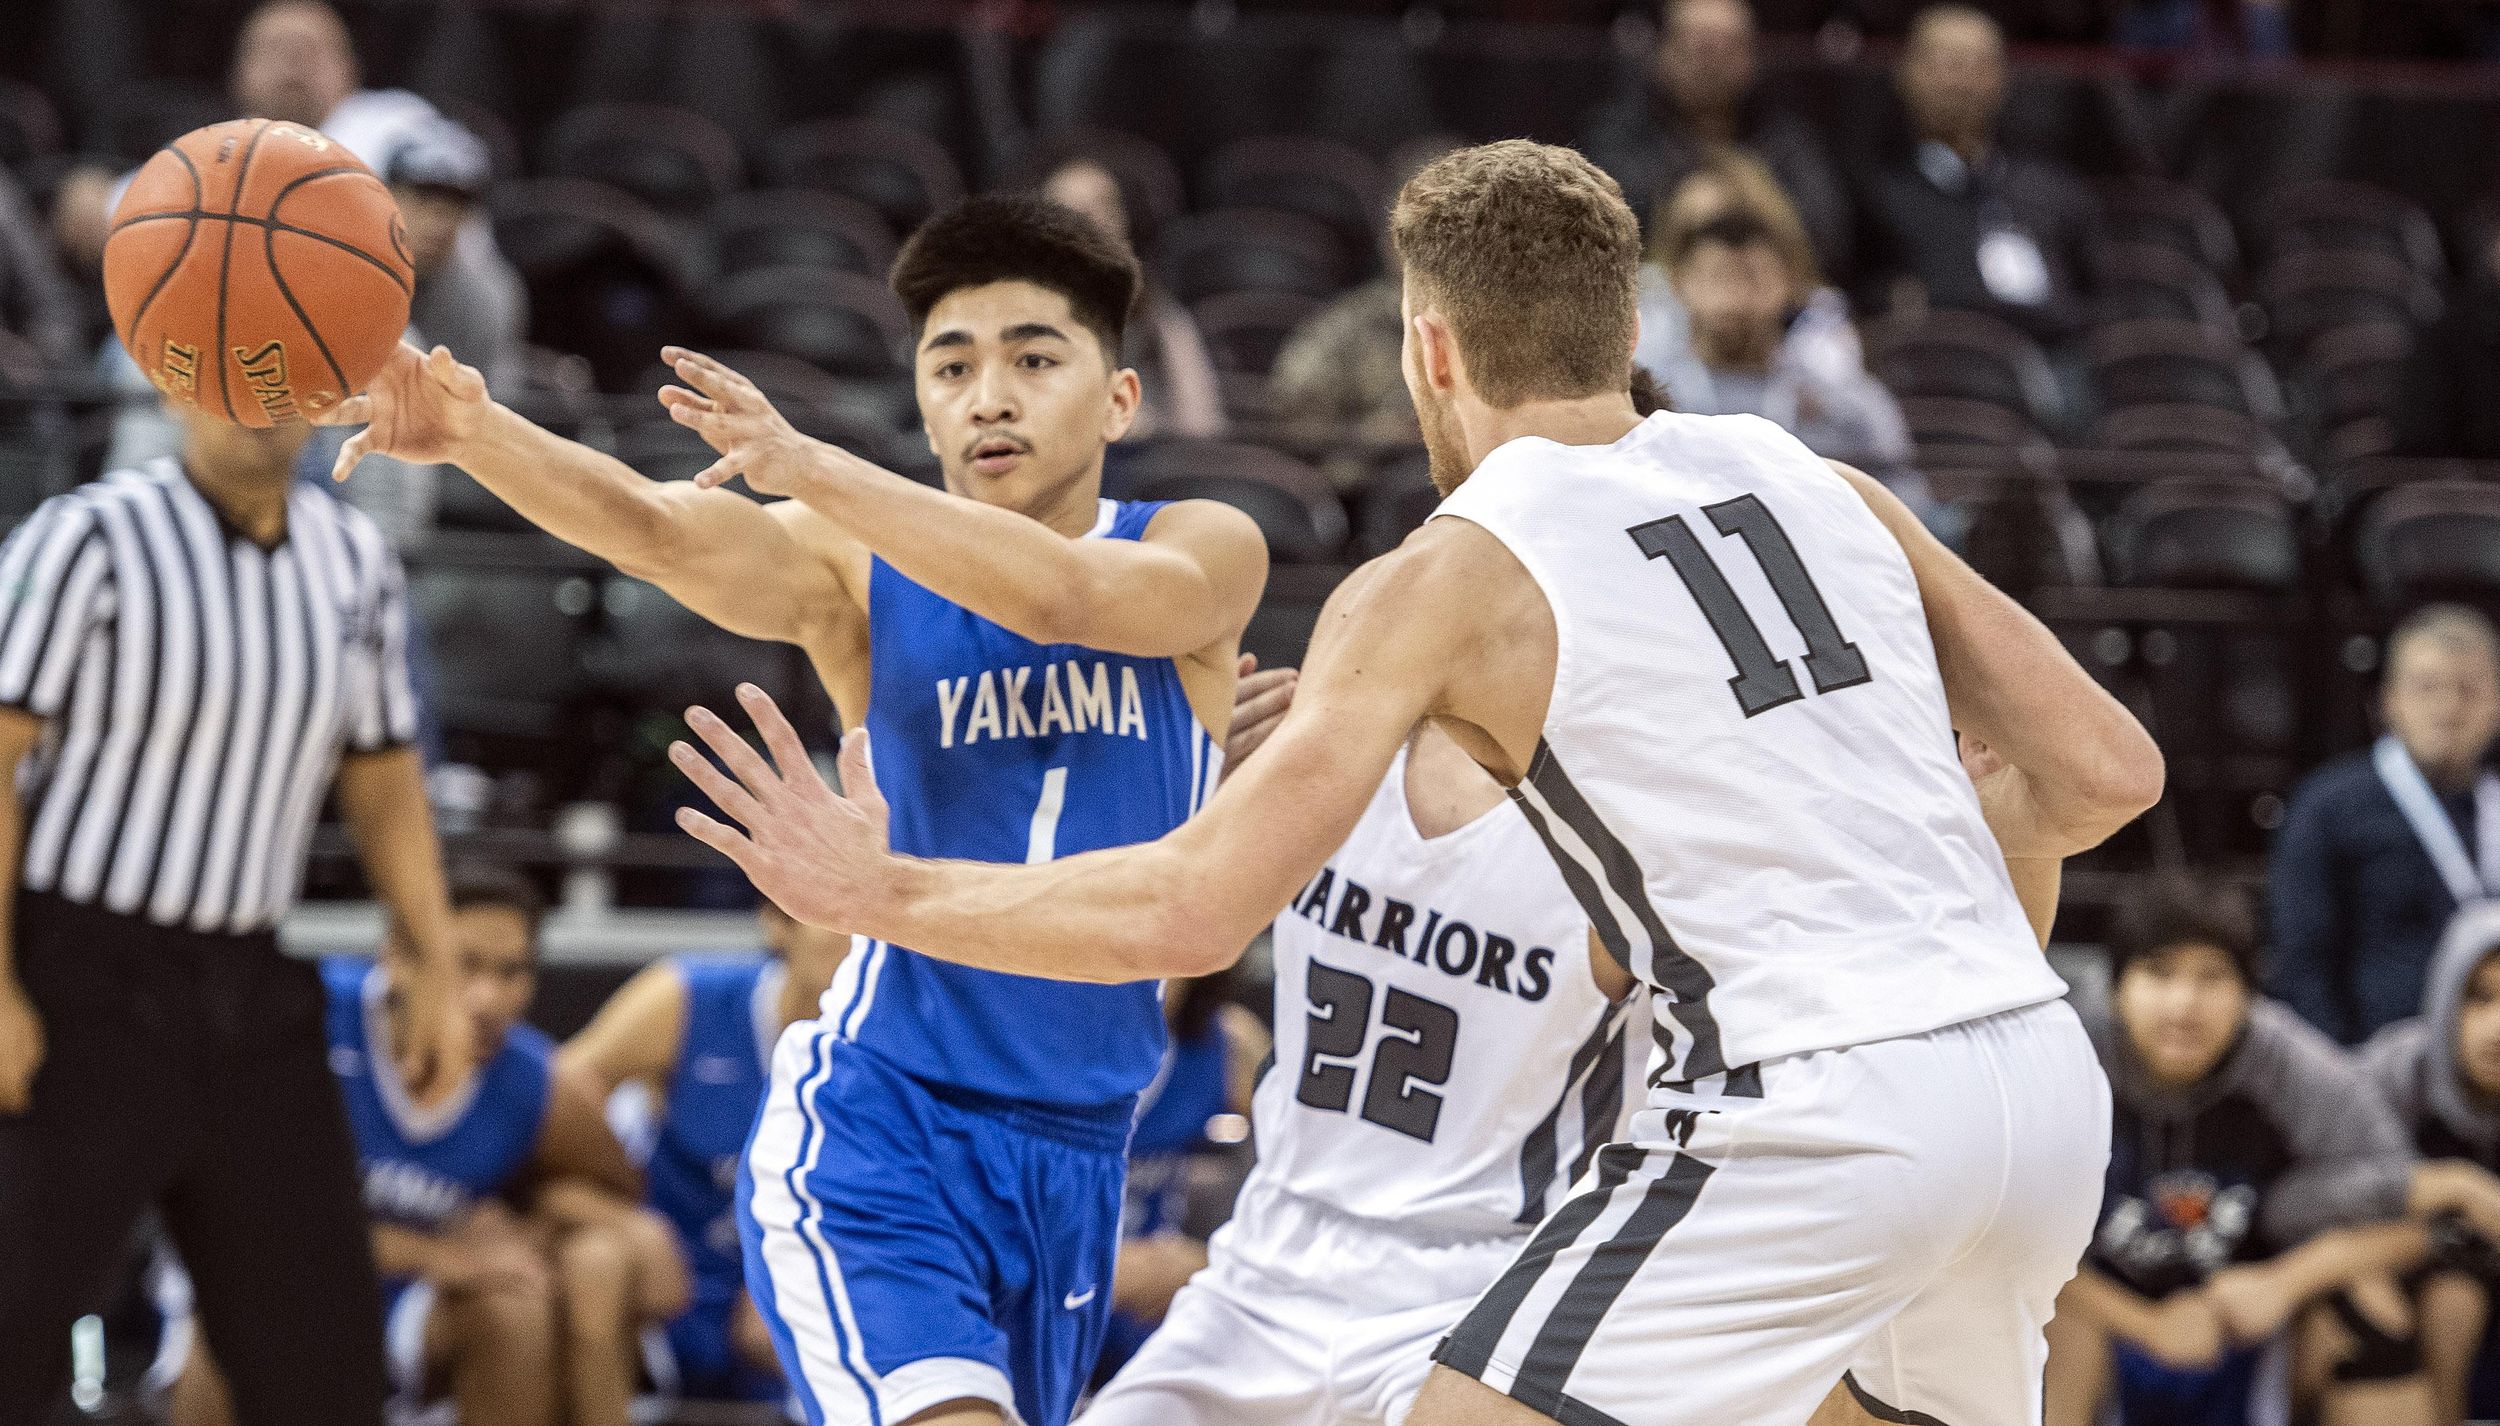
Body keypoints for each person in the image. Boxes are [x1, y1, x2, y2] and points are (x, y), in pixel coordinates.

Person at [666, 138, 2165, 1426]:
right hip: (2035, 1087)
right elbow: (2108, 772)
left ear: (1428, 350)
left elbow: (1193, 910)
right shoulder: (1810, 474)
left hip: (1806, 1105)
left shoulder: (1446, 571)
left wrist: (884, 888)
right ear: (1623, 316)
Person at [321, 193, 1268, 1426]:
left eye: (1035, 359)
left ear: (1121, 398)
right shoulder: (853, 566)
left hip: (1081, 1148)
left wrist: (814, 461)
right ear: (922, 400)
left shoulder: (1204, 547)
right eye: (952, 364)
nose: (989, 395)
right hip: (887, 1125)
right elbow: (660, 529)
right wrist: (475, 432)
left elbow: (1067, 599)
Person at [0, 405, 464, 1425]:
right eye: (228, 374)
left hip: (254, 991)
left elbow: (385, 779)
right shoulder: (89, 536)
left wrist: (434, 964)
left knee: (325, 1367)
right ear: (171, 385)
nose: (259, 403)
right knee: (15, 1333)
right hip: (77, 975)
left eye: (282, 375)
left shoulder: (355, 559)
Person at [164, 863, 656, 1426]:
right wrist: (441, 1255)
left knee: (514, 1311)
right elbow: (248, 1219)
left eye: (513, 971)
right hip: (266, 1281)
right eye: (466, 964)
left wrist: (543, 1220)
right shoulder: (306, 1020)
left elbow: (636, 1221)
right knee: (247, 1307)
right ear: (396, 955)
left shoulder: (535, 1082)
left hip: (409, 1307)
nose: (489, 999)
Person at [2046, 876, 2472, 1426]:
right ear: (2116, 988)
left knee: (2370, 1307)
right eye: (2159, 973)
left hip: (2255, 1321)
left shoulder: (2286, 1063)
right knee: (2055, 1320)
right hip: (2105, 1321)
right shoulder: (2069, 1058)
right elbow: (1989, 1236)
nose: (2184, 1004)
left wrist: (2283, 1283)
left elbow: (2417, 1219)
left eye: (2212, 977)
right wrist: (2147, 1325)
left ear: (2250, 993)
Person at [560, 898, 855, 1407]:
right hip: (669, 1277)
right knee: (596, 1264)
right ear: (776, 923)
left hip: (799, 1288)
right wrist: (620, 1215)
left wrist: (803, 1274)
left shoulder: (900, 1046)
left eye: (871, 926)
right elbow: (540, 1112)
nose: (854, 941)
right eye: (835, 917)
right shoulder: (686, 997)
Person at [2269, 605, 2500, 1045]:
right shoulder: (2328, 806)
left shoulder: (2493, 808)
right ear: (2388, 700)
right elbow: (2302, 964)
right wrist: (2342, 1081)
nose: (2448, 709)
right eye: (2426, 688)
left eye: (2469, 691)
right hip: (2371, 1073)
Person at [1638, 159, 1916, 487]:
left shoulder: (1842, 404)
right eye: (1718, 277)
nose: (1735, 299)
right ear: (1677, 282)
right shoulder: (1644, 399)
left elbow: (1904, 493)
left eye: (1752, 278)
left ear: (1791, 283)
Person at [1855, 5, 2099, 343]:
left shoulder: (2053, 191)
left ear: (2002, 78)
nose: (1957, 80)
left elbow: (2093, 299)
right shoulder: (1875, 196)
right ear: (1905, 74)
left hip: (2056, 365)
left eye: (1974, 64)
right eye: (1941, 62)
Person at [1581, 0, 1852, 281]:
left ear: (1752, 57)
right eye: (1699, 46)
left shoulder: (1787, 139)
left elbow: (1828, 232)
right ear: (1663, 52)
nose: (1711, 63)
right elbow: (1604, 226)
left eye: (1728, 47)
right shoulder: (1619, 133)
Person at [1093, 964, 1268, 1384]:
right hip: (1041, 1303)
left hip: (1152, 1328)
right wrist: (1109, 1273)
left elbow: (1310, 1182)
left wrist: (1213, 1262)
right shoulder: (1035, 1051)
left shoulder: (1228, 1042)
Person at [2364, 901, 2500, 1422]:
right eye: (2479, 997)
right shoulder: (2390, 1073)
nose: (2496, 1025)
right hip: (2396, 1275)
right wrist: (2451, 1188)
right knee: (2447, 1296)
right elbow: (2298, 1200)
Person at [1042, 156, 1226, 441]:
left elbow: (1202, 422)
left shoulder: (1157, 312)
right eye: (1070, 209)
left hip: (1143, 466)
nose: (1091, 219)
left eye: (1104, 205)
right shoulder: (1013, 318)